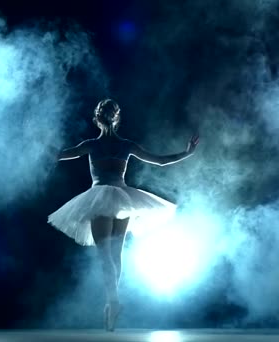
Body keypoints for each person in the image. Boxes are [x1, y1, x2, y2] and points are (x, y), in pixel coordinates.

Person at [47, 98, 199, 331]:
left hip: (99, 198)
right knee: (115, 254)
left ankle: (113, 301)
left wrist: (39, 143)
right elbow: (159, 161)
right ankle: (112, 303)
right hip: (122, 200)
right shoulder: (126, 145)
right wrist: (187, 153)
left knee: (104, 254)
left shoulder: (91, 145)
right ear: (116, 119)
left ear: (97, 119)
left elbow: (58, 155)